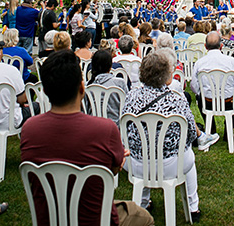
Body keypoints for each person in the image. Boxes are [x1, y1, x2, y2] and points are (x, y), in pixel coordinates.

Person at [20, 50, 154, 226]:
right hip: (97, 218)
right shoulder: (105, 129)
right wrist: (118, 162)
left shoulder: (29, 130)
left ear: (44, 91)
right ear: (82, 88)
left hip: (50, 218)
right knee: (144, 218)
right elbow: (110, 172)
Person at [122, 50, 202, 222]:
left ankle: (142, 202)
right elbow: (190, 135)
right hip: (171, 165)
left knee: (145, 149)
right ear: (167, 76)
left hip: (136, 163)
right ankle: (193, 206)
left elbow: (126, 132)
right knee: (189, 155)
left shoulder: (130, 97)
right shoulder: (178, 100)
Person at [191, 32, 234, 141]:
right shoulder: (231, 62)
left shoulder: (200, 63)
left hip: (207, 103)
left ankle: (211, 129)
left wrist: (202, 93)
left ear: (205, 47)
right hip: (229, 102)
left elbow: (194, 86)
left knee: (199, 96)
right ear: (221, 46)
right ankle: (228, 128)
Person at [88, 49, 129, 125]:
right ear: (110, 66)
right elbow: (127, 107)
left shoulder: (88, 86)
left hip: (92, 127)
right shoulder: (119, 83)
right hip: (116, 128)